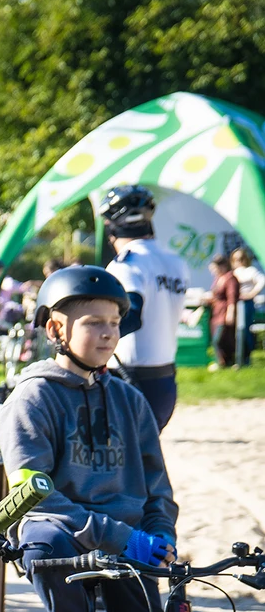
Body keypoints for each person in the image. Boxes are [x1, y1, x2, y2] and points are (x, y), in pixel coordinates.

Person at [0, 265, 176, 612]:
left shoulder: (130, 401)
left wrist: (161, 533)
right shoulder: (32, 399)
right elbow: (38, 496)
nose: (107, 334)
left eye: (116, 323)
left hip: (127, 546)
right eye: (93, 322)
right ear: (55, 330)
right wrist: (121, 536)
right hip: (64, 536)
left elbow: (157, 485)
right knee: (44, 542)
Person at [99, 185, 189, 432]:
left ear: (112, 228)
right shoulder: (176, 261)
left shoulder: (127, 264)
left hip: (129, 379)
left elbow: (131, 316)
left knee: (120, 462)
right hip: (165, 379)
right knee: (145, 459)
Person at [230, 247, 262, 366]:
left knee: (244, 330)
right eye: (236, 259)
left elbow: (261, 281)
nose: (239, 261)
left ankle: (246, 357)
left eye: (241, 258)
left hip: (246, 304)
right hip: (234, 303)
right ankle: (236, 357)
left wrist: (251, 294)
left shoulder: (251, 271)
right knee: (234, 331)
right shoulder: (233, 272)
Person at [207, 254, 239, 370]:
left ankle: (225, 362)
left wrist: (230, 313)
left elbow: (232, 297)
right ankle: (223, 362)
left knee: (219, 339)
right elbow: (215, 295)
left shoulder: (230, 278)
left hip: (225, 312)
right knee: (218, 339)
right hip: (216, 312)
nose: (214, 272)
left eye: (215, 269)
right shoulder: (218, 279)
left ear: (223, 266)